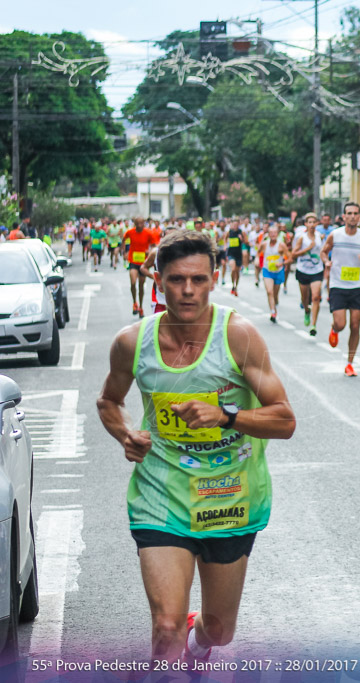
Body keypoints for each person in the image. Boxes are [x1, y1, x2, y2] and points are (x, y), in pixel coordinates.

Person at [96, 229, 295, 664]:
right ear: (156, 279)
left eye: (199, 280)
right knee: (165, 623)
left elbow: (284, 419)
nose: (188, 290)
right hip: (161, 495)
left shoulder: (239, 336)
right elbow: (109, 401)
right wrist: (125, 433)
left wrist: (226, 416)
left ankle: (197, 641)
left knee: (219, 631)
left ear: (215, 278)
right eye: (176, 280)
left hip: (230, 499)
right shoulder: (132, 342)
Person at [321, 201, 360, 376]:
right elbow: (324, 251)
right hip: (338, 284)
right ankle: (334, 328)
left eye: (355, 213)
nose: (352, 216)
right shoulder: (335, 235)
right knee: (341, 323)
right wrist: (326, 261)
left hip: (358, 286)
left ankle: (350, 363)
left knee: (355, 325)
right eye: (349, 213)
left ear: (359, 216)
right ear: (344, 216)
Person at [292, 212, 325, 336]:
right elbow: (294, 254)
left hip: (316, 270)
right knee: (304, 298)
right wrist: (307, 249)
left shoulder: (320, 237)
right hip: (303, 270)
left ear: (317, 223)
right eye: (309, 222)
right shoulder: (302, 238)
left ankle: (313, 324)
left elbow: (323, 251)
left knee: (316, 297)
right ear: (305, 224)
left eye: (314, 222)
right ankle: (307, 310)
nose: (311, 225)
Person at [258, 223, 291, 323]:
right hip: (267, 270)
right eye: (271, 233)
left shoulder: (281, 245)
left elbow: (290, 258)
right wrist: (257, 260)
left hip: (278, 272)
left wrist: (281, 264)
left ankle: (275, 302)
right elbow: (258, 252)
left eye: (275, 233)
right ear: (268, 234)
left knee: (275, 293)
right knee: (269, 291)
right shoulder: (264, 244)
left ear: (278, 234)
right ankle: (273, 312)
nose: (273, 235)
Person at [226, 219, 244, 296]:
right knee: (233, 269)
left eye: (236, 224)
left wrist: (241, 239)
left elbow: (246, 241)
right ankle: (233, 284)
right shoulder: (229, 232)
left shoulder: (241, 232)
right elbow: (225, 238)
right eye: (234, 224)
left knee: (237, 271)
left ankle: (235, 287)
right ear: (232, 225)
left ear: (238, 224)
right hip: (231, 253)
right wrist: (225, 245)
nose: (235, 226)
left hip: (238, 254)